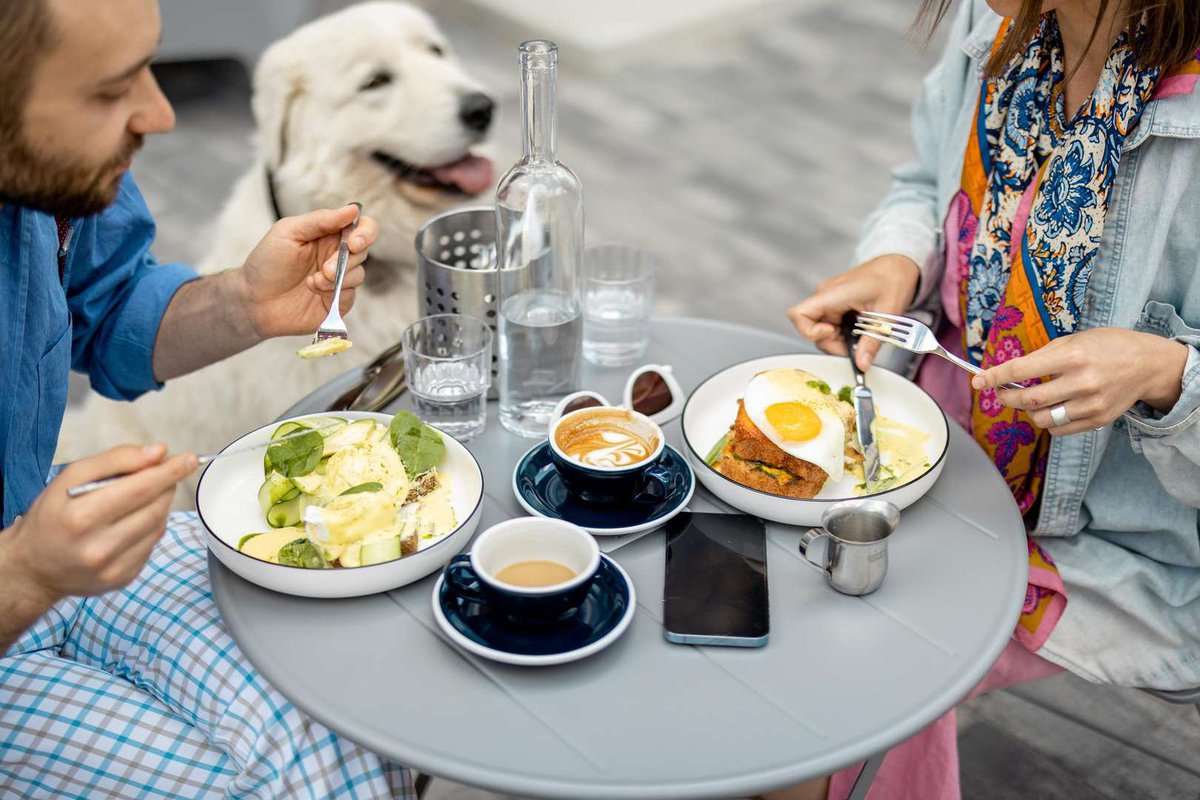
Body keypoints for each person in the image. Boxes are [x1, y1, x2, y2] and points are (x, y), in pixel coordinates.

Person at [776, 0, 1200, 797]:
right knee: (757, 581)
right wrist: (899, 260)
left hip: (1116, 545)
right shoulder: (999, 19)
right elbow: (920, 181)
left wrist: (1164, 374)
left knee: (856, 668)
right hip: (934, 447)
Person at [0, 0, 415, 796]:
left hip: (38, 537)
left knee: (360, 698)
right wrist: (25, 576)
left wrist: (244, 303)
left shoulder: (50, 174)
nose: (158, 114)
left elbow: (107, 305)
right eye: (110, 91)